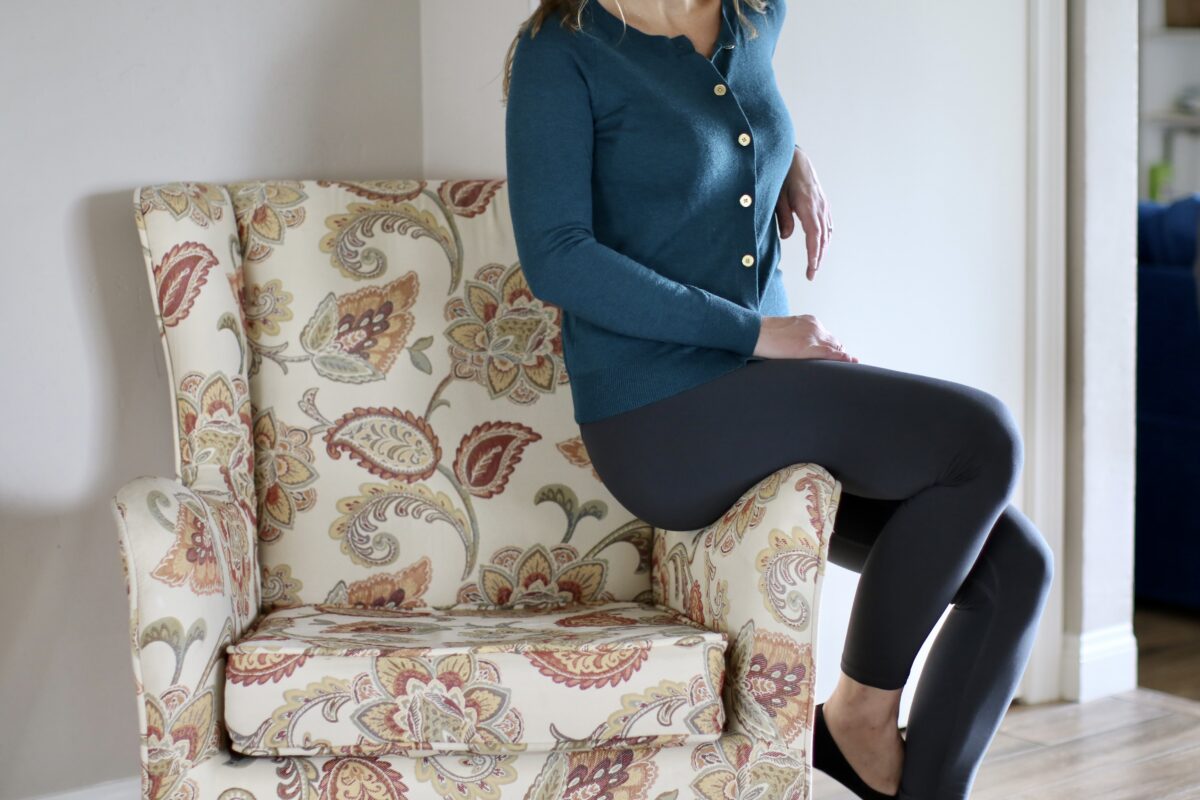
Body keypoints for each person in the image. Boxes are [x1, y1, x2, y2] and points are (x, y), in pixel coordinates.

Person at [501, 1, 1055, 798]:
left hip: (762, 391)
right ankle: (858, 712)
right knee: (983, 440)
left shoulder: (754, 13)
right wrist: (751, 334)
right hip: (661, 414)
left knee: (1016, 569)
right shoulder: (565, 51)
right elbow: (558, 259)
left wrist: (785, 155)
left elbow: (717, 117)